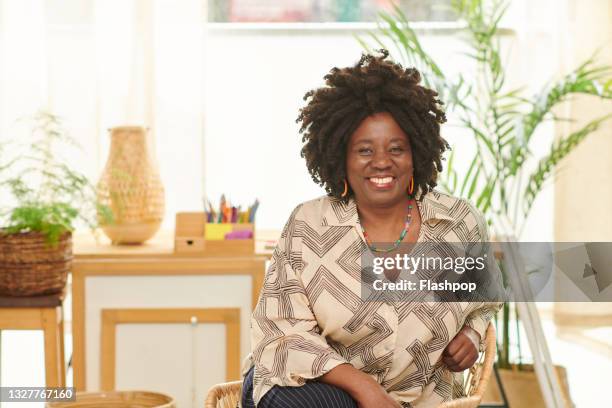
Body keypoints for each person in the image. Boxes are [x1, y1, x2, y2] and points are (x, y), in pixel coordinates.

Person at [240, 50, 502, 408]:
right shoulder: (308, 226)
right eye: (364, 150)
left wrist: (472, 334)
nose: (381, 162)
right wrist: (366, 391)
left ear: (417, 154)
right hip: (303, 389)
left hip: (417, 398)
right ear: (340, 159)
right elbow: (282, 334)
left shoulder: (459, 223)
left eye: (397, 148)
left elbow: (486, 300)